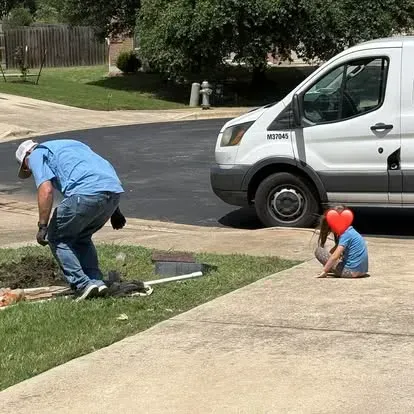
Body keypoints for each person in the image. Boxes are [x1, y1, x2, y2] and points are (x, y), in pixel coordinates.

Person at [15, 139, 127, 301]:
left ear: (26, 158)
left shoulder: (37, 154)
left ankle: (82, 284)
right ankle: (96, 281)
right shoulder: (74, 145)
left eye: (27, 169)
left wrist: (43, 226)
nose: (30, 171)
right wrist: (115, 210)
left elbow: (46, 190)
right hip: (113, 192)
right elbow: (99, 170)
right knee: (81, 237)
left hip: (85, 194)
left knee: (57, 237)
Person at [315, 205, 369, 278]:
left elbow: (335, 256)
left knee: (319, 251)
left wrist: (325, 270)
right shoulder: (351, 231)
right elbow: (334, 251)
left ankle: (329, 268)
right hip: (362, 271)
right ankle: (331, 267)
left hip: (350, 272)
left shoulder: (345, 234)